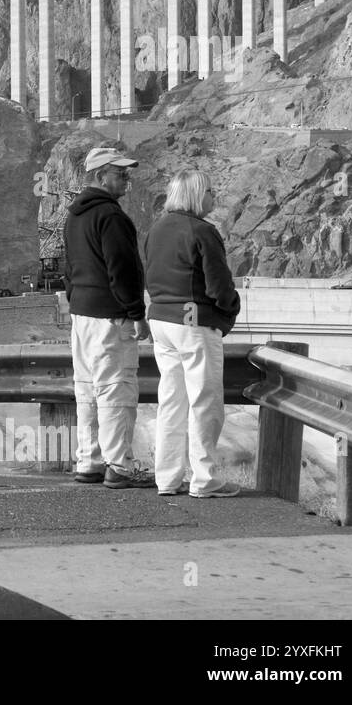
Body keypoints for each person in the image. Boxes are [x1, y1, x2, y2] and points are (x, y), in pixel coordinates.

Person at [144, 169, 242, 498]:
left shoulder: (156, 229)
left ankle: (167, 479)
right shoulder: (203, 231)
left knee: (171, 402)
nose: (214, 197)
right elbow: (218, 285)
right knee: (205, 402)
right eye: (211, 191)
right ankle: (205, 479)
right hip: (193, 322)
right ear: (197, 195)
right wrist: (229, 310)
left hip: (161, 320)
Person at [63, 147, 155, 489]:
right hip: (110, 317)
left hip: (82, 314)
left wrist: (75, 299)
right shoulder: (112, 218)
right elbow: (124, 269)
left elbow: (69, 267)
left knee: (86, 389)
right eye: (121, 173)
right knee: (115, 390)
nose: (127, 179)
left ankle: (89, 462)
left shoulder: (74, 215)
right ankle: (119, 467)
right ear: (101, 175)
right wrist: (135, 313)